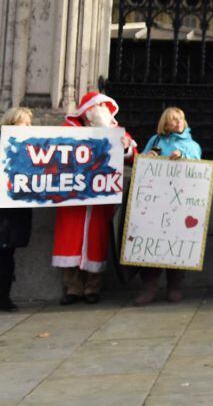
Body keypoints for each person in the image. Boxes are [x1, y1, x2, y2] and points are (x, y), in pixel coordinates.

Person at [53, 92, 137, 305]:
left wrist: (125, 146)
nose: (102, 110)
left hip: (99, 202)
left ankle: (93, 287)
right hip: (72, 202)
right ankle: (72, 288)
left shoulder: (115, 132)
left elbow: (133, 156)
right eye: (97, 106)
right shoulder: (67, 131)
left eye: (104, 106)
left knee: (96, 244)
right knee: (69, 243)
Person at [134, 107, 203, 306]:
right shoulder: (155, 141)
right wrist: (149, 159)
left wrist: (183, 159)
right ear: (165, 124)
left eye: (180, 118)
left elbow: (199, 170)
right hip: (155, 202)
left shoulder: (191, 145)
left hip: (180, 201)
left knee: (176, 243)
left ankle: (175, 286)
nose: (178, 122)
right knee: (151, 244)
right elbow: (142, 163)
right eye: (173, 120)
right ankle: (149, 287)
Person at [0, 107, 34, 312]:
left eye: (30, 123)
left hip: (16, 210)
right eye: (24, 123)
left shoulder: (32, 147)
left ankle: (4, 296)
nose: (28, 127)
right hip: (3, 209)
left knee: (7, 254)